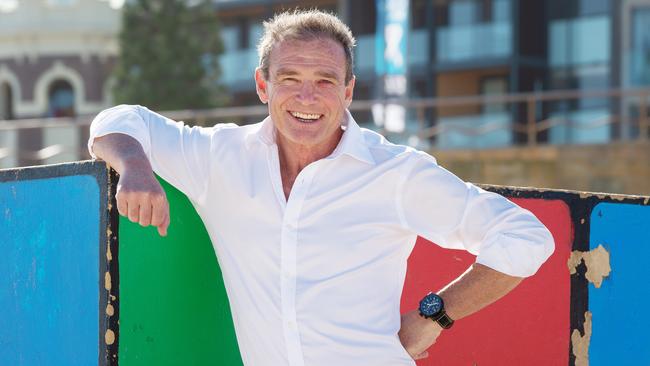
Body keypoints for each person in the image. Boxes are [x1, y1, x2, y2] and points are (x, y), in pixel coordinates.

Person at [88, 9, 554, 366]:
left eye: (324, 81)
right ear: (262, 85)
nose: (306, 98)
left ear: (348, 91)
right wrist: (134, 167)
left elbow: (526, 238)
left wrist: (434, 316)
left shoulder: (394, 173)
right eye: (289, 79)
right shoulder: (221, 158)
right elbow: (119, 120)